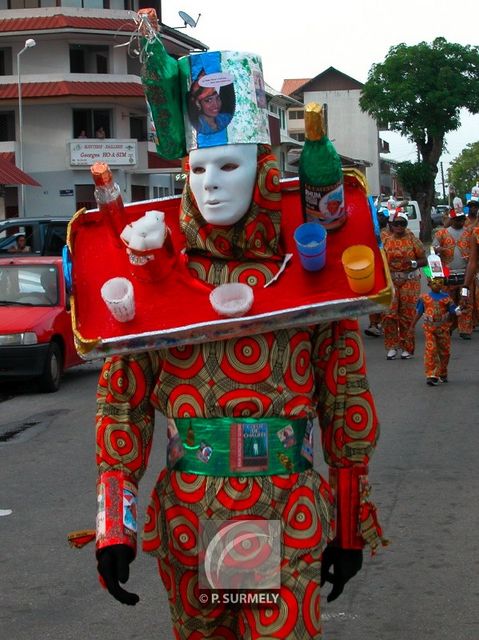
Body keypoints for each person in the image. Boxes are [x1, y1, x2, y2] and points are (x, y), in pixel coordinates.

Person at [91, 45, 386, 640]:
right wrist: (113, 529)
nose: (211, 186)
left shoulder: (309, 276)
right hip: (186, 515)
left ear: (264, 166)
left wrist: (349, 525)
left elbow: (344, 398)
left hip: (291, 512)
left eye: (229, 166)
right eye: (198, 170)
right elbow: (121, 412)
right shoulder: (153, 277)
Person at [382, 207, 427, 360]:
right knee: (389, 314)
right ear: (391, 225)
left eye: (402, 223)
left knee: (407, 315)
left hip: (410, 280)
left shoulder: (412, 239)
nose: (399, 226)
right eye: (396, 224)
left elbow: (424, 260)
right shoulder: (386, 240)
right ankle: (392, 346)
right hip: (392, 280)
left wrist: (413, 263)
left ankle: (407, 348)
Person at [410, 266, 458, 386]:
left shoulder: (447, 298)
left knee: (444, 352)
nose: (437, 284)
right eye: (434, 282)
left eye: (439, 282)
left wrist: (459, 312)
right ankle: (431, 375)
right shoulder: (424, 298)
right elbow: (419, 312)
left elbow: (454, 312)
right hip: (429, 328)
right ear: (429, 283)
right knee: (431, 350)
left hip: (443, 329)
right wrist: (412, 326)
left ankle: (442, 372)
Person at [432, 207, 472, 339]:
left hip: (465, 275)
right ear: (451, 219)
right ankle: (447, 327)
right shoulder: (441, 233)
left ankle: (464, 329)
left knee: (465, 300)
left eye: (462, 219)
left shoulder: (469, 233)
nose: (460, 221)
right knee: (449, 302)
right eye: (457, 219)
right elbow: (433, 249)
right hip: (448, 275)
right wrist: (438, 249)